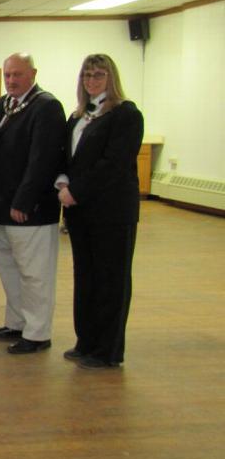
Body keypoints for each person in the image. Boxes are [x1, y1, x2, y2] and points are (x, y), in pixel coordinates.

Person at [57, 54, 143, 369]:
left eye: (98, 75)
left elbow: (114, 164)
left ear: (111, 78)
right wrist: (63, 181)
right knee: (87, 277)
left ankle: (108, 350)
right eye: (87, 75)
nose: (91, 80)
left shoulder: (126, 115)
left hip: (112, 213)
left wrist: (76, 191)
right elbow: (68, 157)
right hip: (80, 213)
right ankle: (87, 341)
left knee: (111, 280)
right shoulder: (78, 116)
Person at [0, 53, 65, 355]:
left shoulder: (47, 107)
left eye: (17, 74)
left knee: (35, 274)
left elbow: (42, 159)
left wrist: (24, 200)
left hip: (29, 211)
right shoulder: (3, 105)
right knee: (9, 269)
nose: (12, 80)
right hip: (0, 209)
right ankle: (16, 322)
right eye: (8, 75)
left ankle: (38, 332)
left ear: (33, 73)